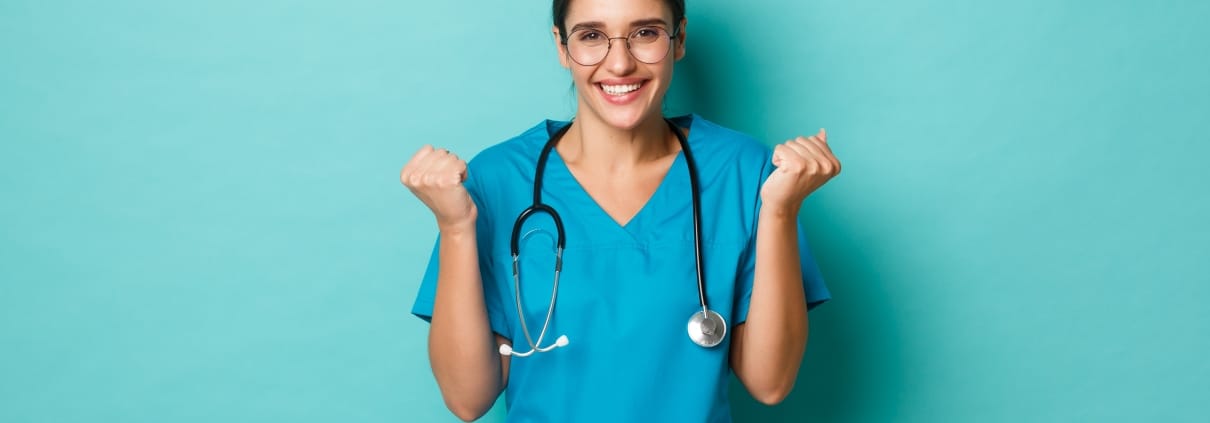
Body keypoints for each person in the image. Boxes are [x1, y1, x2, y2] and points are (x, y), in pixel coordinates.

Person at [400, 0, 839, 421]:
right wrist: (455, 228)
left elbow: (770, 383)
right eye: (591, 35)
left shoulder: (743, 171)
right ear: (562, 47)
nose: (620, 63)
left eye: (645, 32)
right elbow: (467, 399)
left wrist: (781, 211)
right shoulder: (498, 179)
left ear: (679, 39)